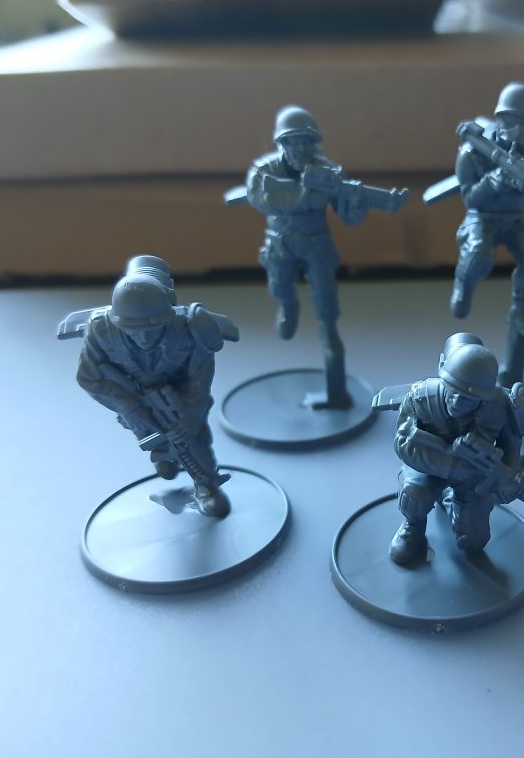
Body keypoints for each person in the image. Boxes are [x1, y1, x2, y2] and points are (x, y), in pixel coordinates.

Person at [71, 256, 238, 517]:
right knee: (147, 432)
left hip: (180, 396)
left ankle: (205, 484)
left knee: (192, 438)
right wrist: (129, 407)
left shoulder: (192, 327)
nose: (143, 337)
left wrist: (192, 416)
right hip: (133, 396)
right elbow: (88, 377)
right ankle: (162, 455)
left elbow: (200, 374)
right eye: (132, 330)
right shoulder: (101, 329)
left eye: (152, 328)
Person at [244, 105, 369, 409]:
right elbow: (263, 199)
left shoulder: (328, 172)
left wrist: (356, 203)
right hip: (281, 243)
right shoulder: (265, 171)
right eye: (294, 141)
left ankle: (329, 333)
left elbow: (348, 217)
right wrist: (305, 192)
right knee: (281, 288)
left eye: (306, 141)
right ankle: (288, 308)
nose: (301, 148)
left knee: (326, 298)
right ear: (282, 143)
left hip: (316, 242)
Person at [388, 338, 524, 565]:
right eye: (453, 390)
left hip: (473, 475)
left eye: (469, 398)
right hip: (429, 467)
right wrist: (449, 466)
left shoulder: (499, 406)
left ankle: (452, 502)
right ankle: (414, 526)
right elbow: (403, 442)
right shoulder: (421, 397)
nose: (457, 401)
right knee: (414, 494)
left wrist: (508, 477)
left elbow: (511, 445)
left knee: (473, 541)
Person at [450, 82, 524, 345]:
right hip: (481, 217)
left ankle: (522, 312)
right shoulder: (472, 152)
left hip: (515, 218)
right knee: (478, 255)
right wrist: (491, 182)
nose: (517, 130)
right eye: (511, 121)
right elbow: (469, 199)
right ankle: (463, 286)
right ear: (499, 118)